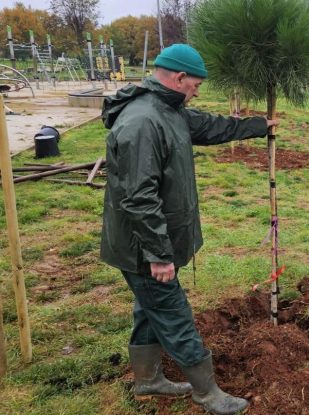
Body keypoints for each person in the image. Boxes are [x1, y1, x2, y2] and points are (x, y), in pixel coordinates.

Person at [101, 44, 277, 415]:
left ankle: (148, 380)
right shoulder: (143, 121)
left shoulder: (169, 109)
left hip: (153, 243)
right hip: (143, 247)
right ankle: (207, 392)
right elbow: (137, 197)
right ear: (179, 78)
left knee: (149, 309)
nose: (197, 91)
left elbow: (209, 126)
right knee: (174, 313)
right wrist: (159, 254)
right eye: (195, 84)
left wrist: (258, 126)